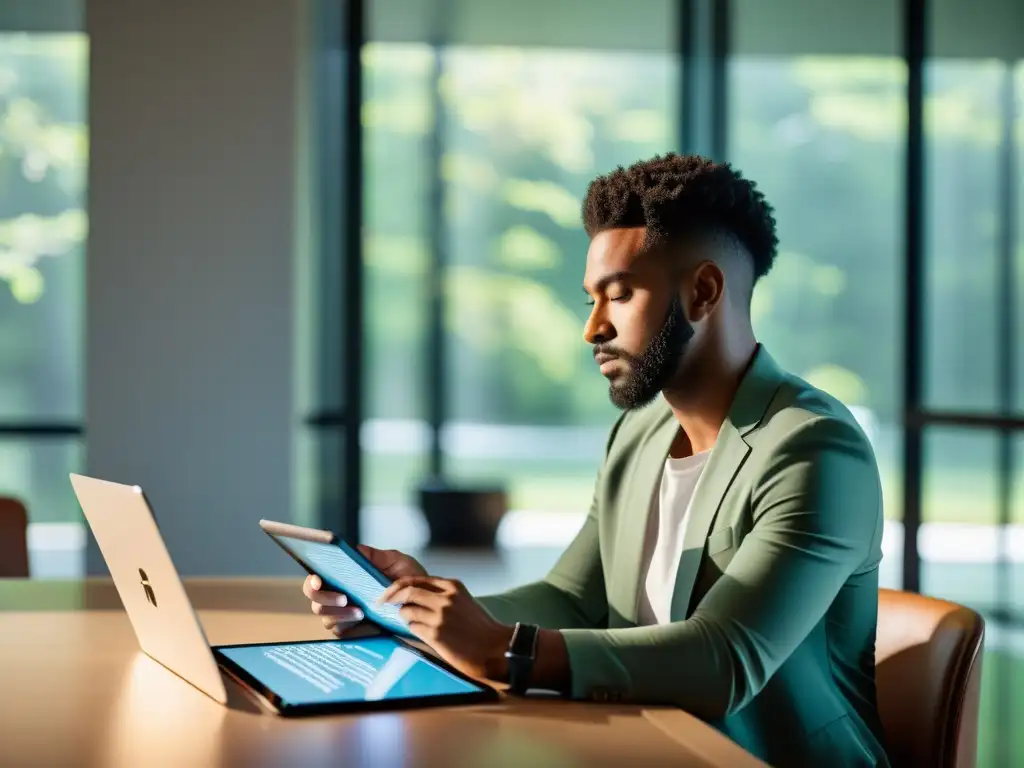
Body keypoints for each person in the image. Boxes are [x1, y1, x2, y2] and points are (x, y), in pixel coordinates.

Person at [304, 154, 890, 767]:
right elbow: (572, 600)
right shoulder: (638, 434)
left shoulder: (815, 448)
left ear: (704, 291)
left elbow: (726, 660)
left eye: (620, 294)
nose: (593, 329)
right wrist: (414, 612)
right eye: (591, 299)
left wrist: (505, 650)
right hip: (642, 746)